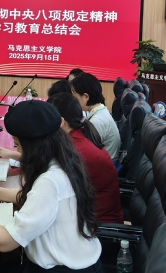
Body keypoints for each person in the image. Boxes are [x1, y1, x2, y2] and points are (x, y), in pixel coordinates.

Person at [0, 100, 104, 273]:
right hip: (79, 268)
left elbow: (5, 242)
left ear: (34, 147)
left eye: (17, 145)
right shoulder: (63, 160)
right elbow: (33, 199)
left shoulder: (50, 181)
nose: (16, 150)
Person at [48, 92, 123, 223]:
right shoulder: (79, 135)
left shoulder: (76, 150)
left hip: (96, 224)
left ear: (61, 122)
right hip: (88, 215)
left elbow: (50, 192)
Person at [71, 73, 121, 162]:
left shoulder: (97, 121)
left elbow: (84, 153)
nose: (72, 99)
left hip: (103, 166)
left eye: (74, 94)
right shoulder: (101, 112)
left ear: (86, 96)